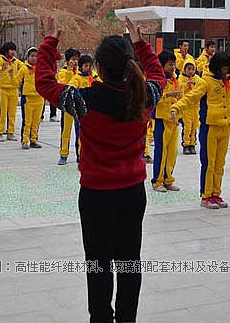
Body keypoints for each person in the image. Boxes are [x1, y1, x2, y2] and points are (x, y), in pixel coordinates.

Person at [35, 16, 165, 323]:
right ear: (132, 65)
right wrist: (140, 42)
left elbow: (44, 82)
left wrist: (50, 41)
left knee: (98, 264)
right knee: (130, 262)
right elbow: (158, 72)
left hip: (96, 196)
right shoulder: (146, 95)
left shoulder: (84, 100)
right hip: (132, 193)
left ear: (99, 69)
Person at [171, 52, 230, 209]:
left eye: (227, 69)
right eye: (223, 69)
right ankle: (206, 195)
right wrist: (176, 108)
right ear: (216, 68)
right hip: (210, 127)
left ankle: (216, 193)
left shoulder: (229, 83)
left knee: (220, 163)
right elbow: (191, 97)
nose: (225, 72)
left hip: (225, 127)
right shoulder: (206, 82)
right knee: (209, 163)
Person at [151, 50, 182, 192]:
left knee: (172, 152)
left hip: (174, 120)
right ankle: (157, 181)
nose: (173, 66)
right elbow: (153, 97)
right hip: (162, 119)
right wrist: (167, 94)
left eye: (174, 64)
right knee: (161, 151)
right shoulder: (158, 80)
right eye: (170, 64)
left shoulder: (176, 79)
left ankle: (168, 179)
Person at [66, 54, 101, 164]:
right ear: (81, 67)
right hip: (80, 111)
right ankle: (81, 156)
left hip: (93, 111)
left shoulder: (95, 77)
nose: (88, 68)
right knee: (81, 135)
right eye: (86, 66)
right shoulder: (77, 78)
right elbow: (71, 87)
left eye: (90, 66)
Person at [17, 47, 44, 149]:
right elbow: (17, 80)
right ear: (27, 57)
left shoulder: (41, 69)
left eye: (36, 56)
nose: (34, 58)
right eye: (32, 56)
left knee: (36, 121)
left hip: (39, 97)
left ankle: (34, 140)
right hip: (28, 98)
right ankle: (25, 140)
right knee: (27, 121)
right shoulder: (24, 68)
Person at [57, 48, 81, 163]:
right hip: (67, 107)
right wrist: (69, 71)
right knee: (66, 131)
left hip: (79, 107)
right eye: (73, 59)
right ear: (67, 61)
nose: (75, 62)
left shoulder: (82, 73)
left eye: (77, 59)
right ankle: (63, 154)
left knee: (80, 132)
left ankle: (80, 154)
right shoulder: (62, 72)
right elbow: (64, 85)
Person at [0, 42, 21, 141]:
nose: (13, 52)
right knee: (3, 112)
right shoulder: (1, 60)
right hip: (4, 89)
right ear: (6, 50)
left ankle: (10, 132)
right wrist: (2, 68)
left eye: (14, 50)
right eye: (11, 50)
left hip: (14, 89)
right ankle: (0, 132)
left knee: (12, 112)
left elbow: (23, 67)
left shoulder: (15, 61)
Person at [179, 58, 199, 154]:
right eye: (188, 69)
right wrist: (186, 85)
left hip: (195, 107)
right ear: (184, 69)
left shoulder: (197, 79)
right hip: (186, 107)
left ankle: (192, 143)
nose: (190, 71)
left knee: (194, 126)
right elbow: (179, 90)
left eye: (192, 69)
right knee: (187, 126)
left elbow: (200, 90)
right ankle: (186, 144)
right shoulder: (181, 79)